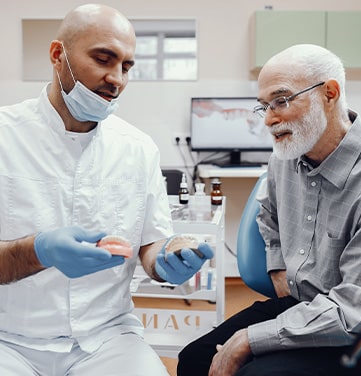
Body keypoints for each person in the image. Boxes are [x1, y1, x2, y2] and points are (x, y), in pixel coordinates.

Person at [0, 4, 213, 375]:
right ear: (57, 55)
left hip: (106, 339)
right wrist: (37, 251)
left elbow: (151, 243)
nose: (117, 78)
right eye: (103, 59)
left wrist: (166, 260)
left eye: (127, 66)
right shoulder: (5, 136)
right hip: (9, 339)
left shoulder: (138, 148)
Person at [177, 44, 361, 376]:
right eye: (264, 107)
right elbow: (267, 215)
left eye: (281, 101)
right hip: (298, 306)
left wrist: (249, 339)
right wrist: (277, 268)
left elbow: (355, 310)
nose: (269, 119)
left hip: (354, 330)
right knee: (195, 360)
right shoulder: (283, 158)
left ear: (330, 93)